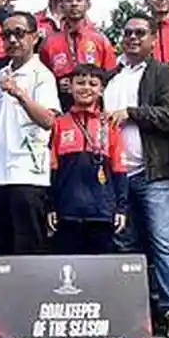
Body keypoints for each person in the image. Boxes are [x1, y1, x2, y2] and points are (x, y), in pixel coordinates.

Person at [105, 14, 169, 338]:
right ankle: (133, 314)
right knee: (125, 245)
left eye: (140, 33)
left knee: (165, 244)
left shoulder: (164, 73)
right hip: (117, 179)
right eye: (127, 33)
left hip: (153, 173)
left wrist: (131, 113)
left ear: (154, 39)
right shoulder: (112, 76)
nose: (132, 38)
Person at [0, 12, 60, 255]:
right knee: (2, 245)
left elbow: (49, 120)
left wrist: (20, 94)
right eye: (6, 34)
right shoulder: (1, 74)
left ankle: (31, 294)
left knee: (28, 247)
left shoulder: (43, 75)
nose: (12, 40)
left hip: (29, 174)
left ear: (34, 37)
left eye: (19, 33)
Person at [46, 65, 128, 255]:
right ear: (70, 87)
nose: (86, 88)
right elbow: (52, 169)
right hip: (67, 212)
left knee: (101, 271)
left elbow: (119, 169)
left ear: (101, 90)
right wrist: (51, 206)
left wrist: (121, 209)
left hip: (102, 212)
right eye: (80, 83)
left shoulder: (109, 124)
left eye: (93, 84)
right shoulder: (59, 124)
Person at [39, 0, 117, 109]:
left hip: (95, 108)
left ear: (88, 5)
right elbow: (42, 79)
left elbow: (111, 76)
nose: (74, 4)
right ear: (61, 5)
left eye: (79, 0)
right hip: (61, 106)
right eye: (69, 0)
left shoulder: (100, 40)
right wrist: (57, 84)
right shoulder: (49, 42)